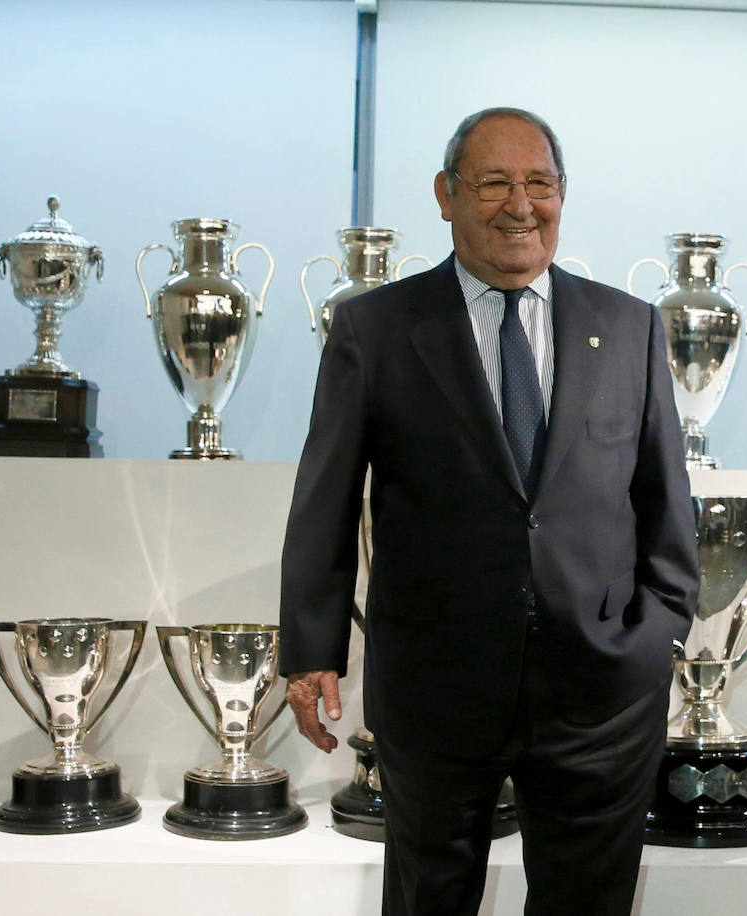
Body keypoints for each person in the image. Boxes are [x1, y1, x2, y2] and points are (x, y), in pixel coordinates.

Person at [278, 107, 699, 916]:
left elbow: (663, 497)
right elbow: (325, 496)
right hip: (435, 687)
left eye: (539, 183)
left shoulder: (628, 326)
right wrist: (311, 650)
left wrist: (659, 632)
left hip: (601, 692)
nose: (520, 205)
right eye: (494, 182)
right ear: (446, 195)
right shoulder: (377, 328)